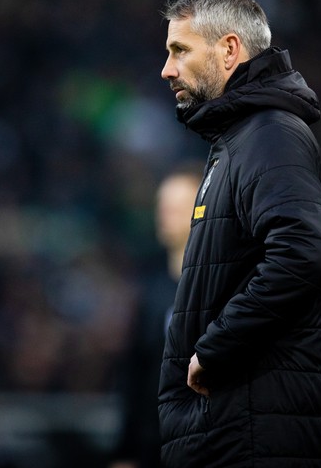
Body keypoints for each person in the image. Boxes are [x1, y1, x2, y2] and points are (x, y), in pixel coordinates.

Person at [156, 0, 321, 467]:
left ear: (230, 50)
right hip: (235, 430)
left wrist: (215, 348)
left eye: (180, 50)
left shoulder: (270, 135)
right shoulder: (241, 138)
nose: (167, 69)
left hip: (252, 437)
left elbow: (307, 253)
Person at [110, 165, 202, 468]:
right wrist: (126, 451)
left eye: (176, 207)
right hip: (154, 445)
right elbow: (136, 373)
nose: (165, 215)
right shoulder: (150, 290)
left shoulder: (218, 288)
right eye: (162, 206)